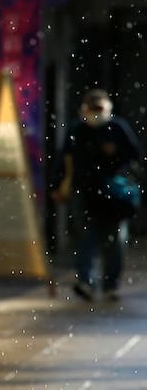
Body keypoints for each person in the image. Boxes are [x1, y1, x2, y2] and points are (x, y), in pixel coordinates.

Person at [51, 89, 143, 303]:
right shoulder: (77, 130)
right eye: (90, 109)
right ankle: (86, 282)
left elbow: (133, 157)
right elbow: (64, 159)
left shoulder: (117, 128)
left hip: (113, 195)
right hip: (83, 192)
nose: (94, 114)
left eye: (98, 109)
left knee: (115, 242)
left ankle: (110, 284)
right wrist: (57, 185)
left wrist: (117, 166)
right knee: (86, 238)